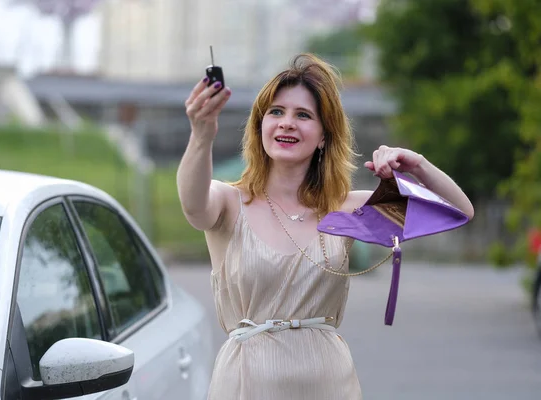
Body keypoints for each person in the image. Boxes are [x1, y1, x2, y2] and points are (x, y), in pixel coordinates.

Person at [176, 54, 475, 400]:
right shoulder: (228, 202)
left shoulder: (346, 208)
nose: (287, 123)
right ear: (260, 126)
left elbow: (458, 211)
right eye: (276, 112)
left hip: (329, 383)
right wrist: (201, 135)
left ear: (323, 136)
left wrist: (417, 165)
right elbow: (193, 206)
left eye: (303, 115)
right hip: (247, 383)